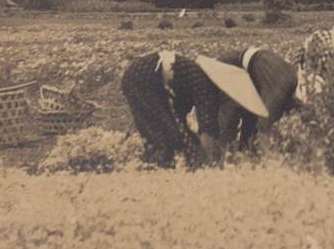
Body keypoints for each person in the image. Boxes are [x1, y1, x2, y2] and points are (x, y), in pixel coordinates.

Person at [120, 46, 295, 168]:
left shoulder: (191, 79)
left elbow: (186, 121)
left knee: (169, 136)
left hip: (139, 76)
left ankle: (146, 164)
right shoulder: (205, 88)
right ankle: (155, 170)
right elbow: (207, 130)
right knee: (167, 140)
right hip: (144, 79)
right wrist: (211, 164)